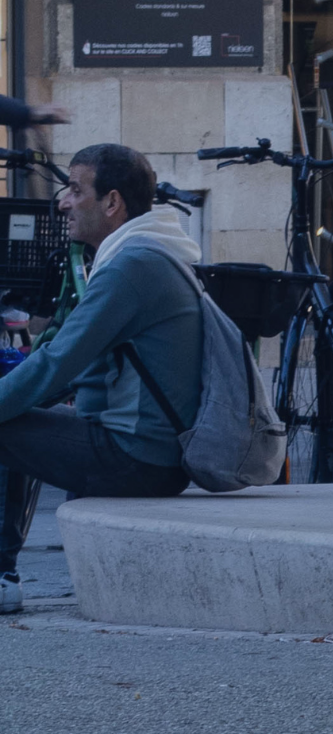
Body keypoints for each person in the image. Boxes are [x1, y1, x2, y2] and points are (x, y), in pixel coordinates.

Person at [0, 144, 202, 613]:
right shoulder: (147, 252)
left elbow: (54, 365)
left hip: (138, 459)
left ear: (112, 203)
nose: (62, 202)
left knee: (8, 420)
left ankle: (2, 575)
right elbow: (76, 364)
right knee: (20, 407)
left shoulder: (132, 266)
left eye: (74, 190)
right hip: (152, 453)